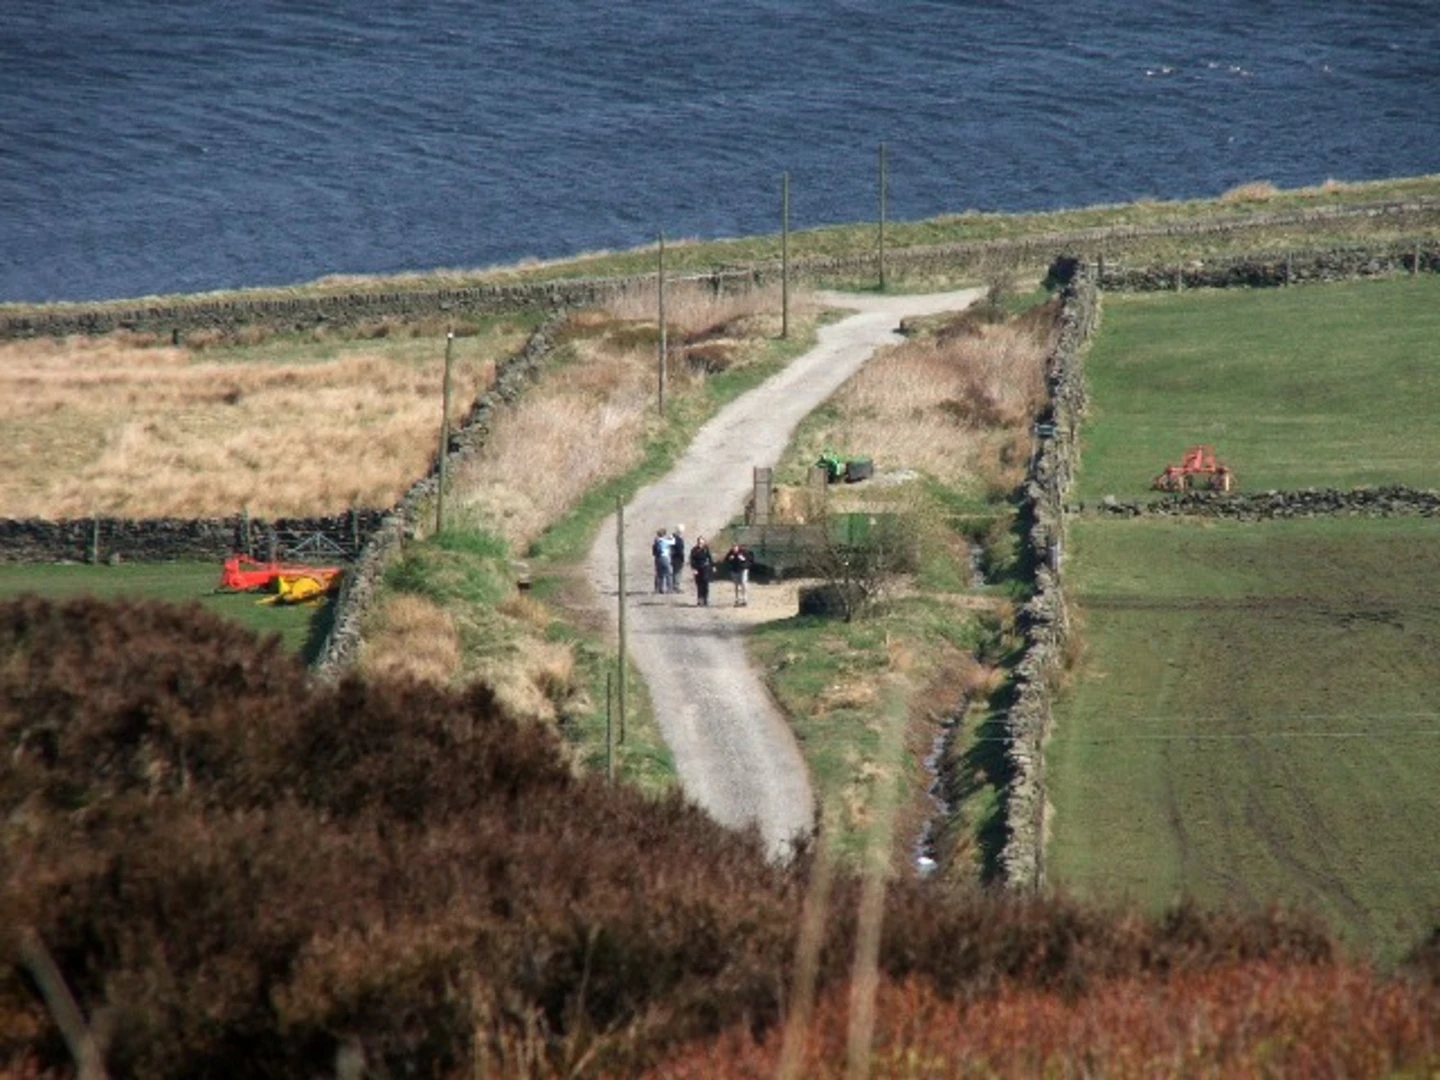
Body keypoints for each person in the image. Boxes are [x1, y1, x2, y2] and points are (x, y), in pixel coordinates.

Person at [689, 535, 713, 606]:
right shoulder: (694, 550)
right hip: (697, 568)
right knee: (699, 585)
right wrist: (694, 569)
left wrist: (713, 566)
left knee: (705, 584)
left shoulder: (706, 549)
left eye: (702, 542)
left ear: (704, 542)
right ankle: (700, 600)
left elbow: (709, 557)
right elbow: (692, 560)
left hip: (705, 568)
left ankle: (705, 599)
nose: (700, 543)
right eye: (699, 542)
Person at [652, 528, 674, 594]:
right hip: (665, 558)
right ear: (664, 534)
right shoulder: (665, 541)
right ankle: (669, 589)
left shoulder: (656, 541)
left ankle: (658, 589)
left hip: (657, 558)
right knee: (668, 574)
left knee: (659, 574)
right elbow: (673, 542)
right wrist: (671, 537)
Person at [670, 525, 686, 593]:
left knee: (674, 572)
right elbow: (680, 551)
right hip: (677, 558)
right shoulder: (679, 540)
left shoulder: (672, 537)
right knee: (677, 572)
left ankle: (672, 586)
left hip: (672, 557)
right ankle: (676, 587)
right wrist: (682, 558)